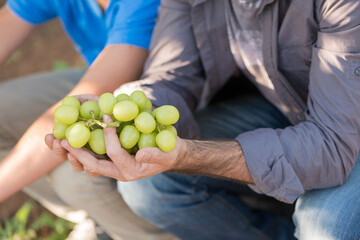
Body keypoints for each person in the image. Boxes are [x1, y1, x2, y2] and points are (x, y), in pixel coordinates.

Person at [58, 0, 360, 239]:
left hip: (345, 132)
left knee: (324, 229)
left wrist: (190, 156)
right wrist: (135, 109)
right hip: (292, 110)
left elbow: (331, 143)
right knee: (149, 185)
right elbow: (172, 75)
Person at [0, 1, 176, 239]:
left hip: (162, 100)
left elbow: (101, 88)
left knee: (74, 180)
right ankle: (98, 219)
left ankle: (160, 235)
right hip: (102, 93)